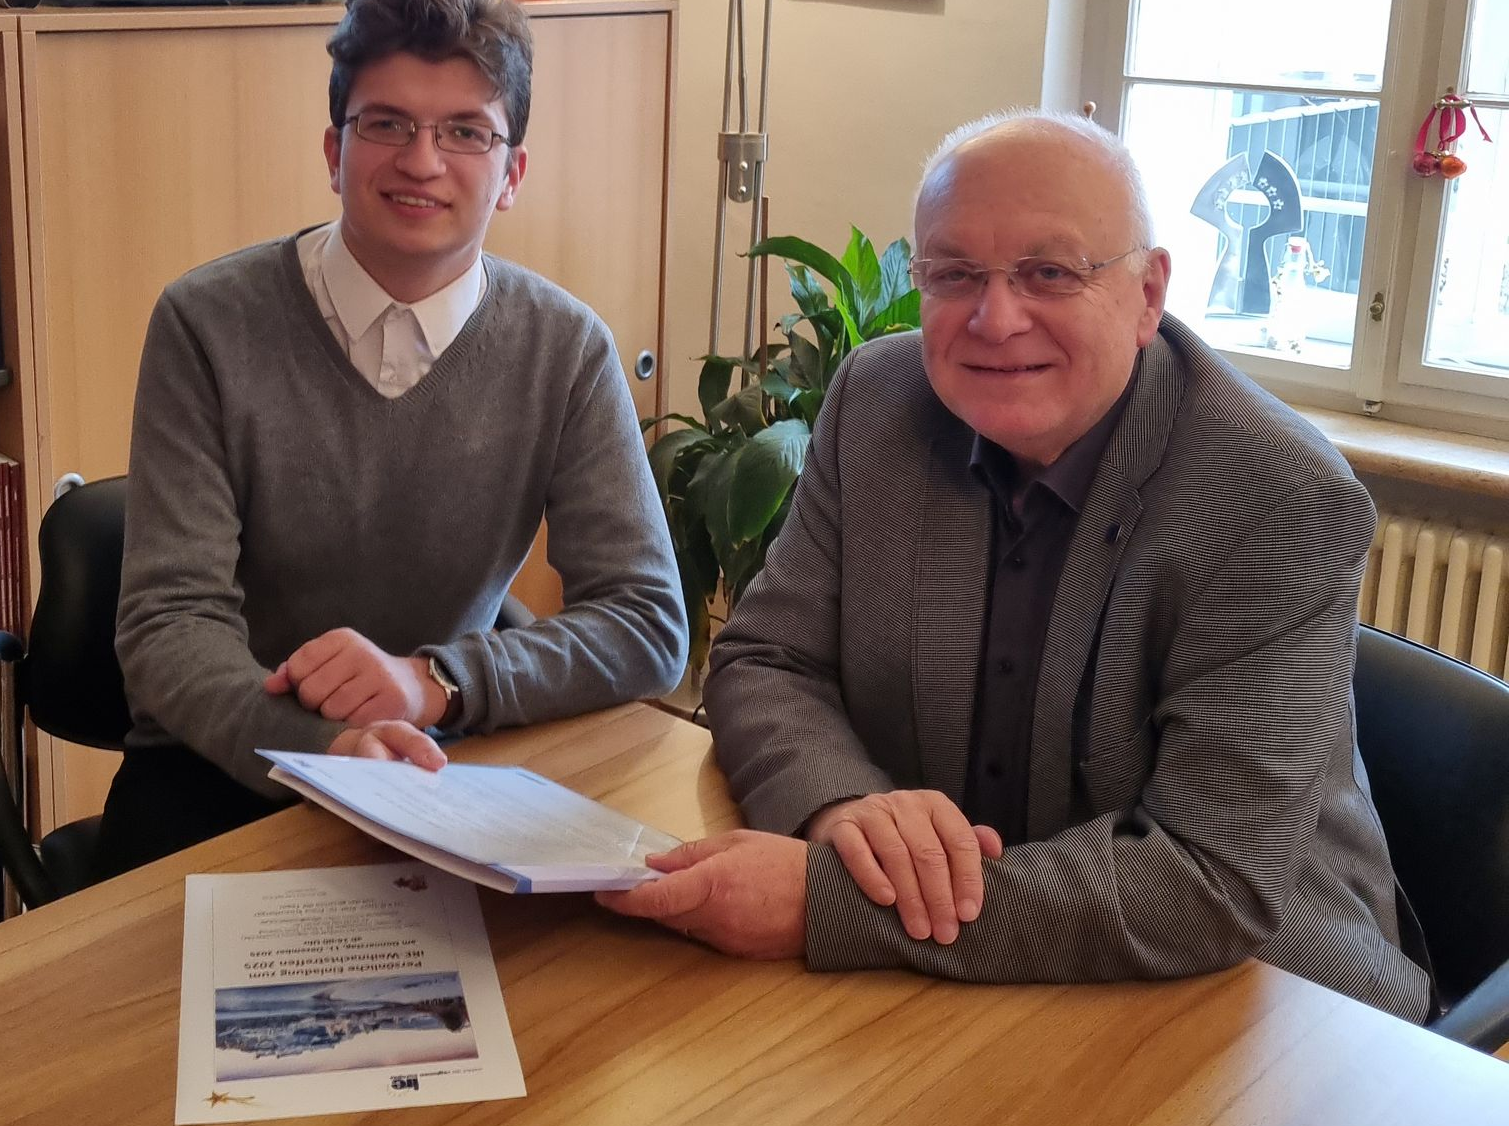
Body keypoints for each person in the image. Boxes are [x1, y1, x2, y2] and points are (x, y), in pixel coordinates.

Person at [599, 110, 1430, 1022]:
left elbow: (1209, 881)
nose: (995, 320)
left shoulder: (1277, 494)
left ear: (1148, 293)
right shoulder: (876, 402)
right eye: (954, 274)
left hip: (1257, 1001)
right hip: (966, 986)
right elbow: (766, 658)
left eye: (1050, 272)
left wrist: (830, 903)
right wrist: (844, 809)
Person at [102, 0, 689, 873]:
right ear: (334, 152)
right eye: (386, 124)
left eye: (465, 132)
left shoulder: (566, 348)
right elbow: (169, 625)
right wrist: (327, 748)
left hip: (441, 762)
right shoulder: (206, 323)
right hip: (223, 767)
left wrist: (434, 681)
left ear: (512, 174)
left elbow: (647, 621)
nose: (422, 161)